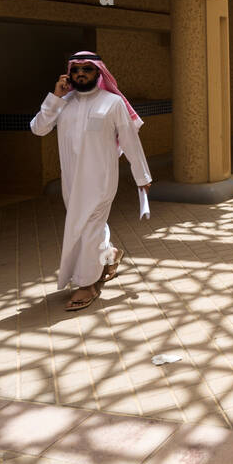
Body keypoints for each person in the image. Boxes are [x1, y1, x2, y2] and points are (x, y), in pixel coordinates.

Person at [30, 51, 152, 311]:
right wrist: (55, 97)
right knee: (87, 227)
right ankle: (110, 254)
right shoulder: (62, 102)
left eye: (87, 68)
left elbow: (130, 141)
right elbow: (38, 128)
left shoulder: (112, 103)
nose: (81, 73)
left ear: (99, 73)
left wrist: (142, 176)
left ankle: (87, 284)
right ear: (69, 73)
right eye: (76, 69)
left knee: (89, 228)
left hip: (102, 180)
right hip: (72, 183)